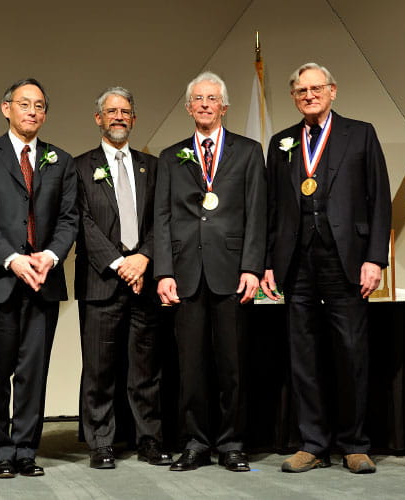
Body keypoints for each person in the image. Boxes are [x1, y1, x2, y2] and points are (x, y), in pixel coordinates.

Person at [261, 62, 391, 474]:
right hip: (297, 263)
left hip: (346, 261)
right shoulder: (281, 142)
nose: (309, 95)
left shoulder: (361, 133)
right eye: (301, 91)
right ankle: (313, 444)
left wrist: (375, 258)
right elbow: (271, 210)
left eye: (316, 88)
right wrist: (268, 263)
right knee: (304, 356)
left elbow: (380, 199)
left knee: (350, 352)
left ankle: (354, 444)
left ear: (333, 91)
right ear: (294, 97)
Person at [0, 78, 78, 479]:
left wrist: (48, 256)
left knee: (34, 371)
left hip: (43, 278)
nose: (33, 111)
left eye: (40, 106)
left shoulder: (60, 160)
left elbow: (69, 218)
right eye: (25, 104)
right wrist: (12, 258)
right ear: (5, 108)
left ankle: (27, 449)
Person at [154, 71, 266, 472]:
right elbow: (162, 218)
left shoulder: (249, 151)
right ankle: (196, 443)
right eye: (197, 99)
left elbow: (257, 213)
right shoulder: (171, 156)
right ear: (188, 107)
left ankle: (233, 442)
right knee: (192, 367)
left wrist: (253, 266)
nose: (204, 104)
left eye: (212, 98)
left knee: (232, 365)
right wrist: (163, 272)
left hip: (232, 271)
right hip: (185, 274)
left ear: (224, 107)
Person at [75, 86, 171, 469]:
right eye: (111, 111)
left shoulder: (154, 166)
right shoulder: (79, 166)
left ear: (133, 119)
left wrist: (144, 257)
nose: (118, 116)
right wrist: (119, 263)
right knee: (99, 370)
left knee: (145, 370)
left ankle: (149, 439)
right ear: (98, 119)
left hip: (143, 284)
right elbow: (81, 222)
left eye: (125, 111)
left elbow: (160, 221)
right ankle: (101, 443)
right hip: (102, 282)